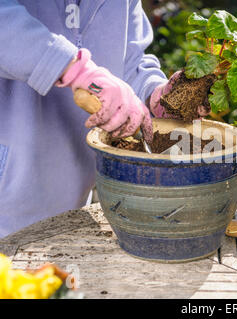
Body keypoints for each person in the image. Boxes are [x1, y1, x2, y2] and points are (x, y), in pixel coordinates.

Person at [0, 0, 208, 238]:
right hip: (7, 203)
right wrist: (73, 68)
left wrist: (153, 95)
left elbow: (129, 61)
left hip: (72, 204)